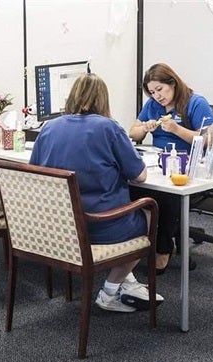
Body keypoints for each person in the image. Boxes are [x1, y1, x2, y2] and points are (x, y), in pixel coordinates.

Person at [29, 73, 164, 313]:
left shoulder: (49, 127)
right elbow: (139, 175)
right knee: (149, 211)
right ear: (103, 100)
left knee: (130, 211)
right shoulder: (108, 128)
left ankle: (126, 280)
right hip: (100, 226)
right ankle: (110, 292)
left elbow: (35, 172)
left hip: (61, 225)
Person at [128, 63, 213, 273]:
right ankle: (135, 243)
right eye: (152, 92)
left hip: (187, 168)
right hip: (157, 163)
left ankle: (163, 248)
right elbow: (133, 133)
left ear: (172, 83)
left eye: (160, 89)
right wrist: (144, 128)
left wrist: (176, 129)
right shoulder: (152, 106)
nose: (157, 96)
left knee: (167, 196)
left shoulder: (195, 102)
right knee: (130, 187)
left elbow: (208, 139)